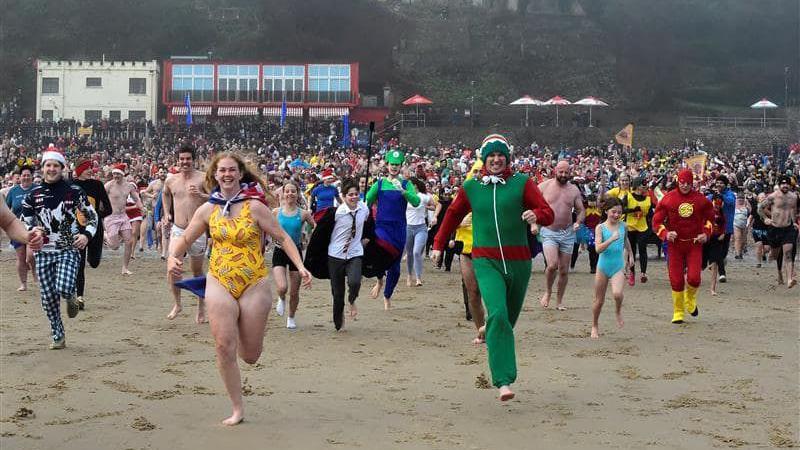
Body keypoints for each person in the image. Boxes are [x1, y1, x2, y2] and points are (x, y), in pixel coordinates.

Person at [167, 152, 311, 426]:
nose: (227, 174)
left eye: (232, 170)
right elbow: (185, 238)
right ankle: (237, 408)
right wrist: (175, 257)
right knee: (223, 346)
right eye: (222, 170)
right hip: (219, 280)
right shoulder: (208, 209)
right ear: (215, 175)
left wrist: (300, 267)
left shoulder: (255, 207)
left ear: (240, 174)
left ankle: (252, 341)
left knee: (250, 355)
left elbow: (281, 237)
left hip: (253, 282)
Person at [432, 134, 554, 402]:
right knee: (498, 313)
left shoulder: (523, 183)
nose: (496, 160)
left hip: (519, 261)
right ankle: (503, 381)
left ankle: (489, 328)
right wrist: (439, 244)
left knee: (506, 321)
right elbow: (452, 213)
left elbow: (547, 212)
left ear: (507, 158)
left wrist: (537, 216)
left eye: (501, 155)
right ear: (484, 159)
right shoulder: (472, 187)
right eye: (491, 156)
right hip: (485, 260)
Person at [20, 148, 98, 349]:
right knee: (48, 300)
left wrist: (86, 235)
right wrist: (31, 229)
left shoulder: (75, 191)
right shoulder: (33, 194)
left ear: (62, 168)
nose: (52, 169)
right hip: (43, 252)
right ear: (43, 168)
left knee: (62, 287)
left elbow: (92, 216)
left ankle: (71, 295)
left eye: (56, 165)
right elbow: (24, 220)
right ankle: (58, 335)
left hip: (68, 248)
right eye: (48, 165)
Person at [652, 169, 714, 324]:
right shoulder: (667, 199)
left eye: (688, 183)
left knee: (694, 278)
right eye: (682, 182)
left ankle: (690, 299)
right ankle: (678, 311)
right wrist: (665, 233)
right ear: (677, 181)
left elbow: (711, 220)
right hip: (675, 245)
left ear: (692, 183)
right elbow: (656, 222)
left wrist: (706, 233)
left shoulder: (701, 200)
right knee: (676, 280)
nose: (685, 186)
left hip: (694, 244)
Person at [366, 150, 420, 310]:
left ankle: (387, 295)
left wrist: (403, 192)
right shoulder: (380, 183)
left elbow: (416, 202)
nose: (394, 167)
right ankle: (380, 279)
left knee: (395, 269)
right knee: (381, 251)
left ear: (401, 166)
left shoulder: (405, 184)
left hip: (399, 229)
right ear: (387, 165)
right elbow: (367, 200)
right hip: (382, 227)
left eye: (397, 165)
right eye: (392, 164)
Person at [163, 144, 210, 322]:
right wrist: (167, 213)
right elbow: (165, 194)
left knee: (196, 270)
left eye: (188, 158)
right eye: (182, 159)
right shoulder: (171, 180)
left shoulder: (203, 178)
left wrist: (201, 194)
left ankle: (201, 307)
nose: (185, 162)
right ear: (178, 160)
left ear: (193, 159)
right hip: (178, 228)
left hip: (197, 231)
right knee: (173, 267)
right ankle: (177, 304)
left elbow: (216, 197)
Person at [537, 160, 585, 310]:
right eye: (561, 172)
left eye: (566, 172)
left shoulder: (574, 190)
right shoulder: (544, 186)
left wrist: (578, 221)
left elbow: (581, 210)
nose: (563, 175)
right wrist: (533, 223)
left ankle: (559, 301)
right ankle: (548, 292)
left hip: (568, 233)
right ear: (555, 171)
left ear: (570, 173)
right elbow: (531, 204)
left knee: (564, 270)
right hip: (549, 231)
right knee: (552, 265)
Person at [327, 177, 371, 330]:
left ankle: (352, 299)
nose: (354, 197)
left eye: (356, 194)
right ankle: (339, 321)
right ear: (344, 196)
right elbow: (324, 231)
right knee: (337, 294)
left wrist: (366, 237)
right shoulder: (337, 213)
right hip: (336, 254)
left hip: (355, 252)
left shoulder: (364, 209)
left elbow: (368, 224)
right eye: (350, 195)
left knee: (354, 282)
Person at [272, 181, 315, 329]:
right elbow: (265, 227)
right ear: (283, 194)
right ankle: (281, 297)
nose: (290, 194)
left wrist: (310, 237)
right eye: (287, 191)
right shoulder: (276, 212)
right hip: (279, 250)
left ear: (297, 194)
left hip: (296, 251)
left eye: (293, 191)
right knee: (282, 287)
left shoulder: (303, 213)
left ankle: (291, 317)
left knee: (295, 291)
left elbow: (314, 226)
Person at [591, 197, 633, 339]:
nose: (616, 215)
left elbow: (626, 241)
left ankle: (618, 311)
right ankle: (595, 325)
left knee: (617, 294)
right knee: (599, 300)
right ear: (606, 211)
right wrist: (610, 240)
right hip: (603, 266)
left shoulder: (624, 226)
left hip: (618, 266)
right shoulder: (600, 227)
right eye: (613, 212)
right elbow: (597, 249)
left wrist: (631, 256)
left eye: (619, 212)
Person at [73, 158, 111, 310]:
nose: (91, 170)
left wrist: (94, 216)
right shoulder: (71, 185)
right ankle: (79, 298)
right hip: (76, 230)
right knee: (79, 265)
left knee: (94, 263)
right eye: (88, 168)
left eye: (91, 168)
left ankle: (92, 256)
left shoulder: (97, 185)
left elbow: (108, 209)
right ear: (80, 170)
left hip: (95, 229)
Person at [757, 175, 799, 288]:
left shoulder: (794, 197)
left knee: (788, 253)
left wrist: (794, 221)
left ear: (790, 185)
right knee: (775, 255)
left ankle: (790, 279)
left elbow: (793, 209)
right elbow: (760, 208)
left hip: (788, 228)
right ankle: (779, 271)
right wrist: (765, 219)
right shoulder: (773, 196)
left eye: (787, 184)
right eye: (782, 184)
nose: (785, 186)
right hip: (775, 228)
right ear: (779, 185)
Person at [104, 164, 141, 275]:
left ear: (122, 174)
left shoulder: (129, 186)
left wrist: (142, 207)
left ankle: (125, 268)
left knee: (129, 241)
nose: (115, 176)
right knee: (114, 246)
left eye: (118, 174)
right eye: (114, 173)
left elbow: (136, 199)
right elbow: (100, 197)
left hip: (123, 216)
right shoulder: (108, 185)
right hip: (111, 217)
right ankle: (104, 235)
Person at [5, 165, 37, 291]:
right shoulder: (13, 191)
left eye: (28, 175)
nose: (26, 177)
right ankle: (23, 283)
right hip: (17, 228)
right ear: (20, 177)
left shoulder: (37, 189)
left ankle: (34, 270)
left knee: (30, 256)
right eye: (24, 175)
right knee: (21, 257)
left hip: (33, 228)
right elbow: (6, 209)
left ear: (32, 176)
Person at [621, 177, 653, 284]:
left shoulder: (648, 199)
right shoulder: (628, 196)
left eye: (645, 186)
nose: (645, 187)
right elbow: (621, 209)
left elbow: (651, 213)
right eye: (643, 185)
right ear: (637, 186)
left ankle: (643, 273)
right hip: (630, 227)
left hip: (643, 227)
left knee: (643, 248)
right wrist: (632, 210)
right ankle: (632, 273)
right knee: (632, 251)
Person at [404, 177, 434, 287]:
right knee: (410, 253)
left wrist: (426, 207)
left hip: (421, 228)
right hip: (408, 227)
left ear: (416, 185)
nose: (409, 186)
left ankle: (418, 278)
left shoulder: (424, 197)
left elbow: (434, 206)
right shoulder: (406, 196)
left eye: (411, 184)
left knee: (417, 252)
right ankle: (409, 275)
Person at [708, 175, 736, 282]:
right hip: (716, 228)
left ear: (726, 184)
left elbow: (731, 202)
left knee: (724, 251)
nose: (719, 185)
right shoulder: (713, 195)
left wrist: (722, 197)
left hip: (727, 227)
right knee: (718, 250)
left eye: (721, 183)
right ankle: (722, 273)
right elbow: (706, 201)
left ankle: (715, 262)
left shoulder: (730, 194)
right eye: (717, 183)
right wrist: (711, 196)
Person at [703, 193, 727, 296]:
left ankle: (712, 289)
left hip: (716, 240)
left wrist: (723, 234)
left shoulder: (722, 213)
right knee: (701, 264)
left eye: (719, 203)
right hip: (705, 239)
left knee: (714, 263)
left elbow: (724, 225)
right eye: (716, 202)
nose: (717, 204)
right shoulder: (706, 211)